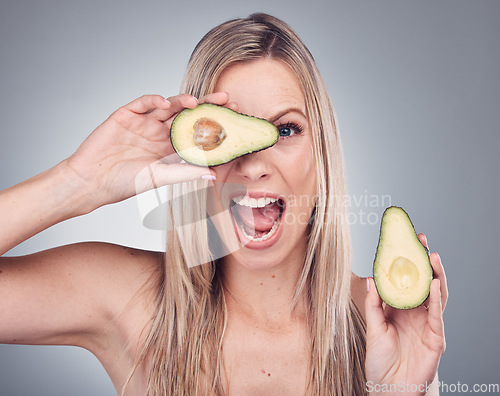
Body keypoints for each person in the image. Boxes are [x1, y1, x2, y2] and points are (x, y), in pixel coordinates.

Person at [0, 13, 447, 396]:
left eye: (286, 130)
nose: (253, 168)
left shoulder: (385, 323)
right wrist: (79, 182)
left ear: (323, 151)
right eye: (219, 134)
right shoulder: (126, 298)